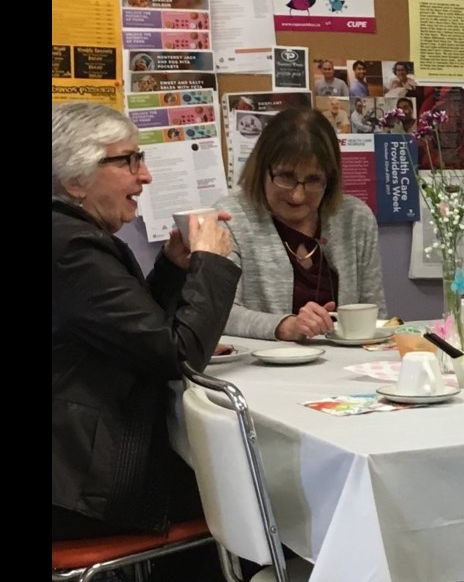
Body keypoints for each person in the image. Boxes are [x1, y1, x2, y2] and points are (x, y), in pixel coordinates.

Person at [52, 102, 240, 581]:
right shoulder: (74, 249)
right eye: (129, 160)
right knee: (244, 495)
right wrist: (210, 264)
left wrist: (174, 269)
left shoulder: (70, 238)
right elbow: (176, 355)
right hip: (80, 486)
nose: (147, 176)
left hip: (69, 468)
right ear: (76, 180)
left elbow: (132, 334)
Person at [216, 107, 387, 341]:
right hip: (258, 371)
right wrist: (285, 326)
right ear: (262, 169)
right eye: (286, 177)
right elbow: (219, 314)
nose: (297, 195)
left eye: (314, 180)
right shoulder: (230, 218)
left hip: (344, 369)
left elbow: (376, 315)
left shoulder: (356, 218)